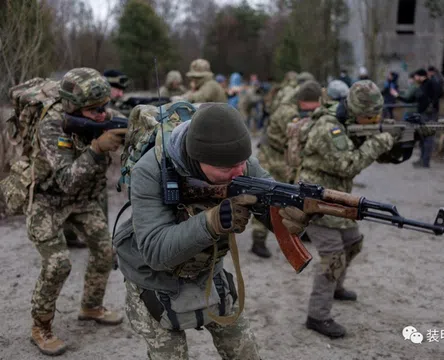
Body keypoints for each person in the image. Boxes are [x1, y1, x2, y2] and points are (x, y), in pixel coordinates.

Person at [113, 103, 309, 359]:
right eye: (227, 169)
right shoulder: (150, 170)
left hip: (207, 271)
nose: (239, 173)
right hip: (153, 280)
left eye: (242, 163)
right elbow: (155, 251)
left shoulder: (238, 162)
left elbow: (271, 201)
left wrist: (293, 216)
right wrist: (213, 221)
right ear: (196, 160)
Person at [28, 68, 125, 356]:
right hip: (48, 202)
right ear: (72, 106)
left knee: (105, 251)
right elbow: (66, 180)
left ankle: (91, 307)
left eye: (104, 107)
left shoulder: (101, 116)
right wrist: (96, 148)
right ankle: (41, 327)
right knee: (58, 263)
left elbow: (124, 119)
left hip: (82, 202)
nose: (102, 114)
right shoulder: (52, 125)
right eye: (93, 110)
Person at [300, 80, 395, 338]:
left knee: (353, 242)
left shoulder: (347, 121)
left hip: (338, 198)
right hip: (316, 201)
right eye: (369, 116)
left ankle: (336, 287)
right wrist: (379, 141)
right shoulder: (328, 127)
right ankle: (317, 316)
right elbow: (347, 164)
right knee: (333, 255)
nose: (373, 119)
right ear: (355, 111)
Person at [252, 80, 323, 258]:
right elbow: (301, 133)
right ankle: (258, 240)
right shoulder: (287, 111)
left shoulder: (298, 106)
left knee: (294, 197)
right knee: (265, 199)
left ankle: (301, 231)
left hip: (286, 157)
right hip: (271, 157)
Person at [390, 68, 440, 168]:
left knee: (428, 137)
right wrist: (397, 96)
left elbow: (437, 94)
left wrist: (431, 106)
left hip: (429, 114)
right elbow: (410, 99)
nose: (415, 78)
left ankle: (425, 162)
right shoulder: (422, 86)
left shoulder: (430, 83)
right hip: (422, 114)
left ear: (421, 76)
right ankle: (422, 160)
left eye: (416, 76)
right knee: (422, 137)